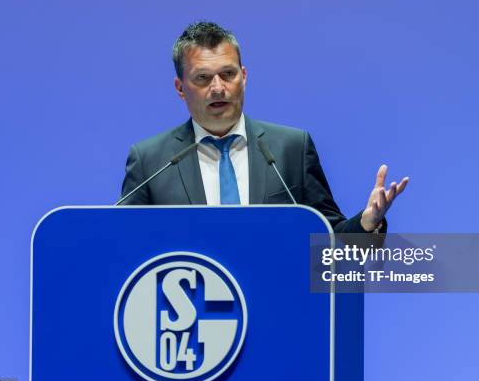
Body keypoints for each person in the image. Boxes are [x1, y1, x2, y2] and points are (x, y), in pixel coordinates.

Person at [120, 21, 408, 233]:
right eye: (203, 78)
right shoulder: (151, 161)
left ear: (243, 77)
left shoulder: (291, 148)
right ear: (180, 88)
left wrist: (367, 223)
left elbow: (329, 241)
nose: (218, 88)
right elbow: (120, 242)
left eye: (228, 74)